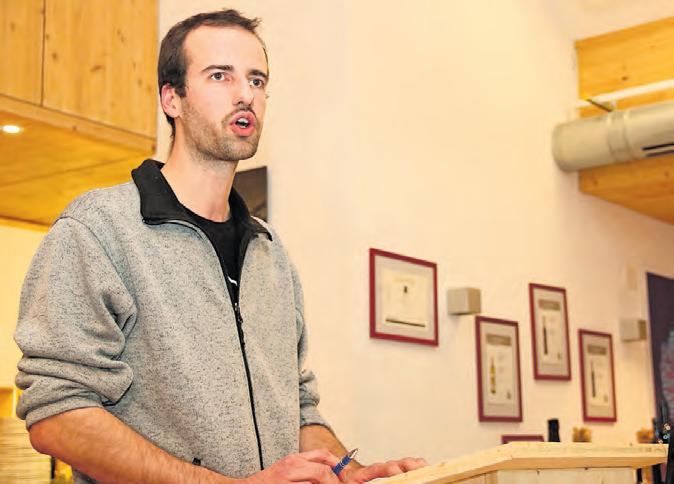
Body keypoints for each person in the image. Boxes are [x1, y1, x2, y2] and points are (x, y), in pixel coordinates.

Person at [14, 9, 426, 484]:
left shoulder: (271, 253)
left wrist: (349, 470)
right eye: (219, 76)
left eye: (256, 80)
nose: (245, 94)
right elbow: (57, 415)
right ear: (172, 98)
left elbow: (296, 407)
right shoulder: (98, 230)